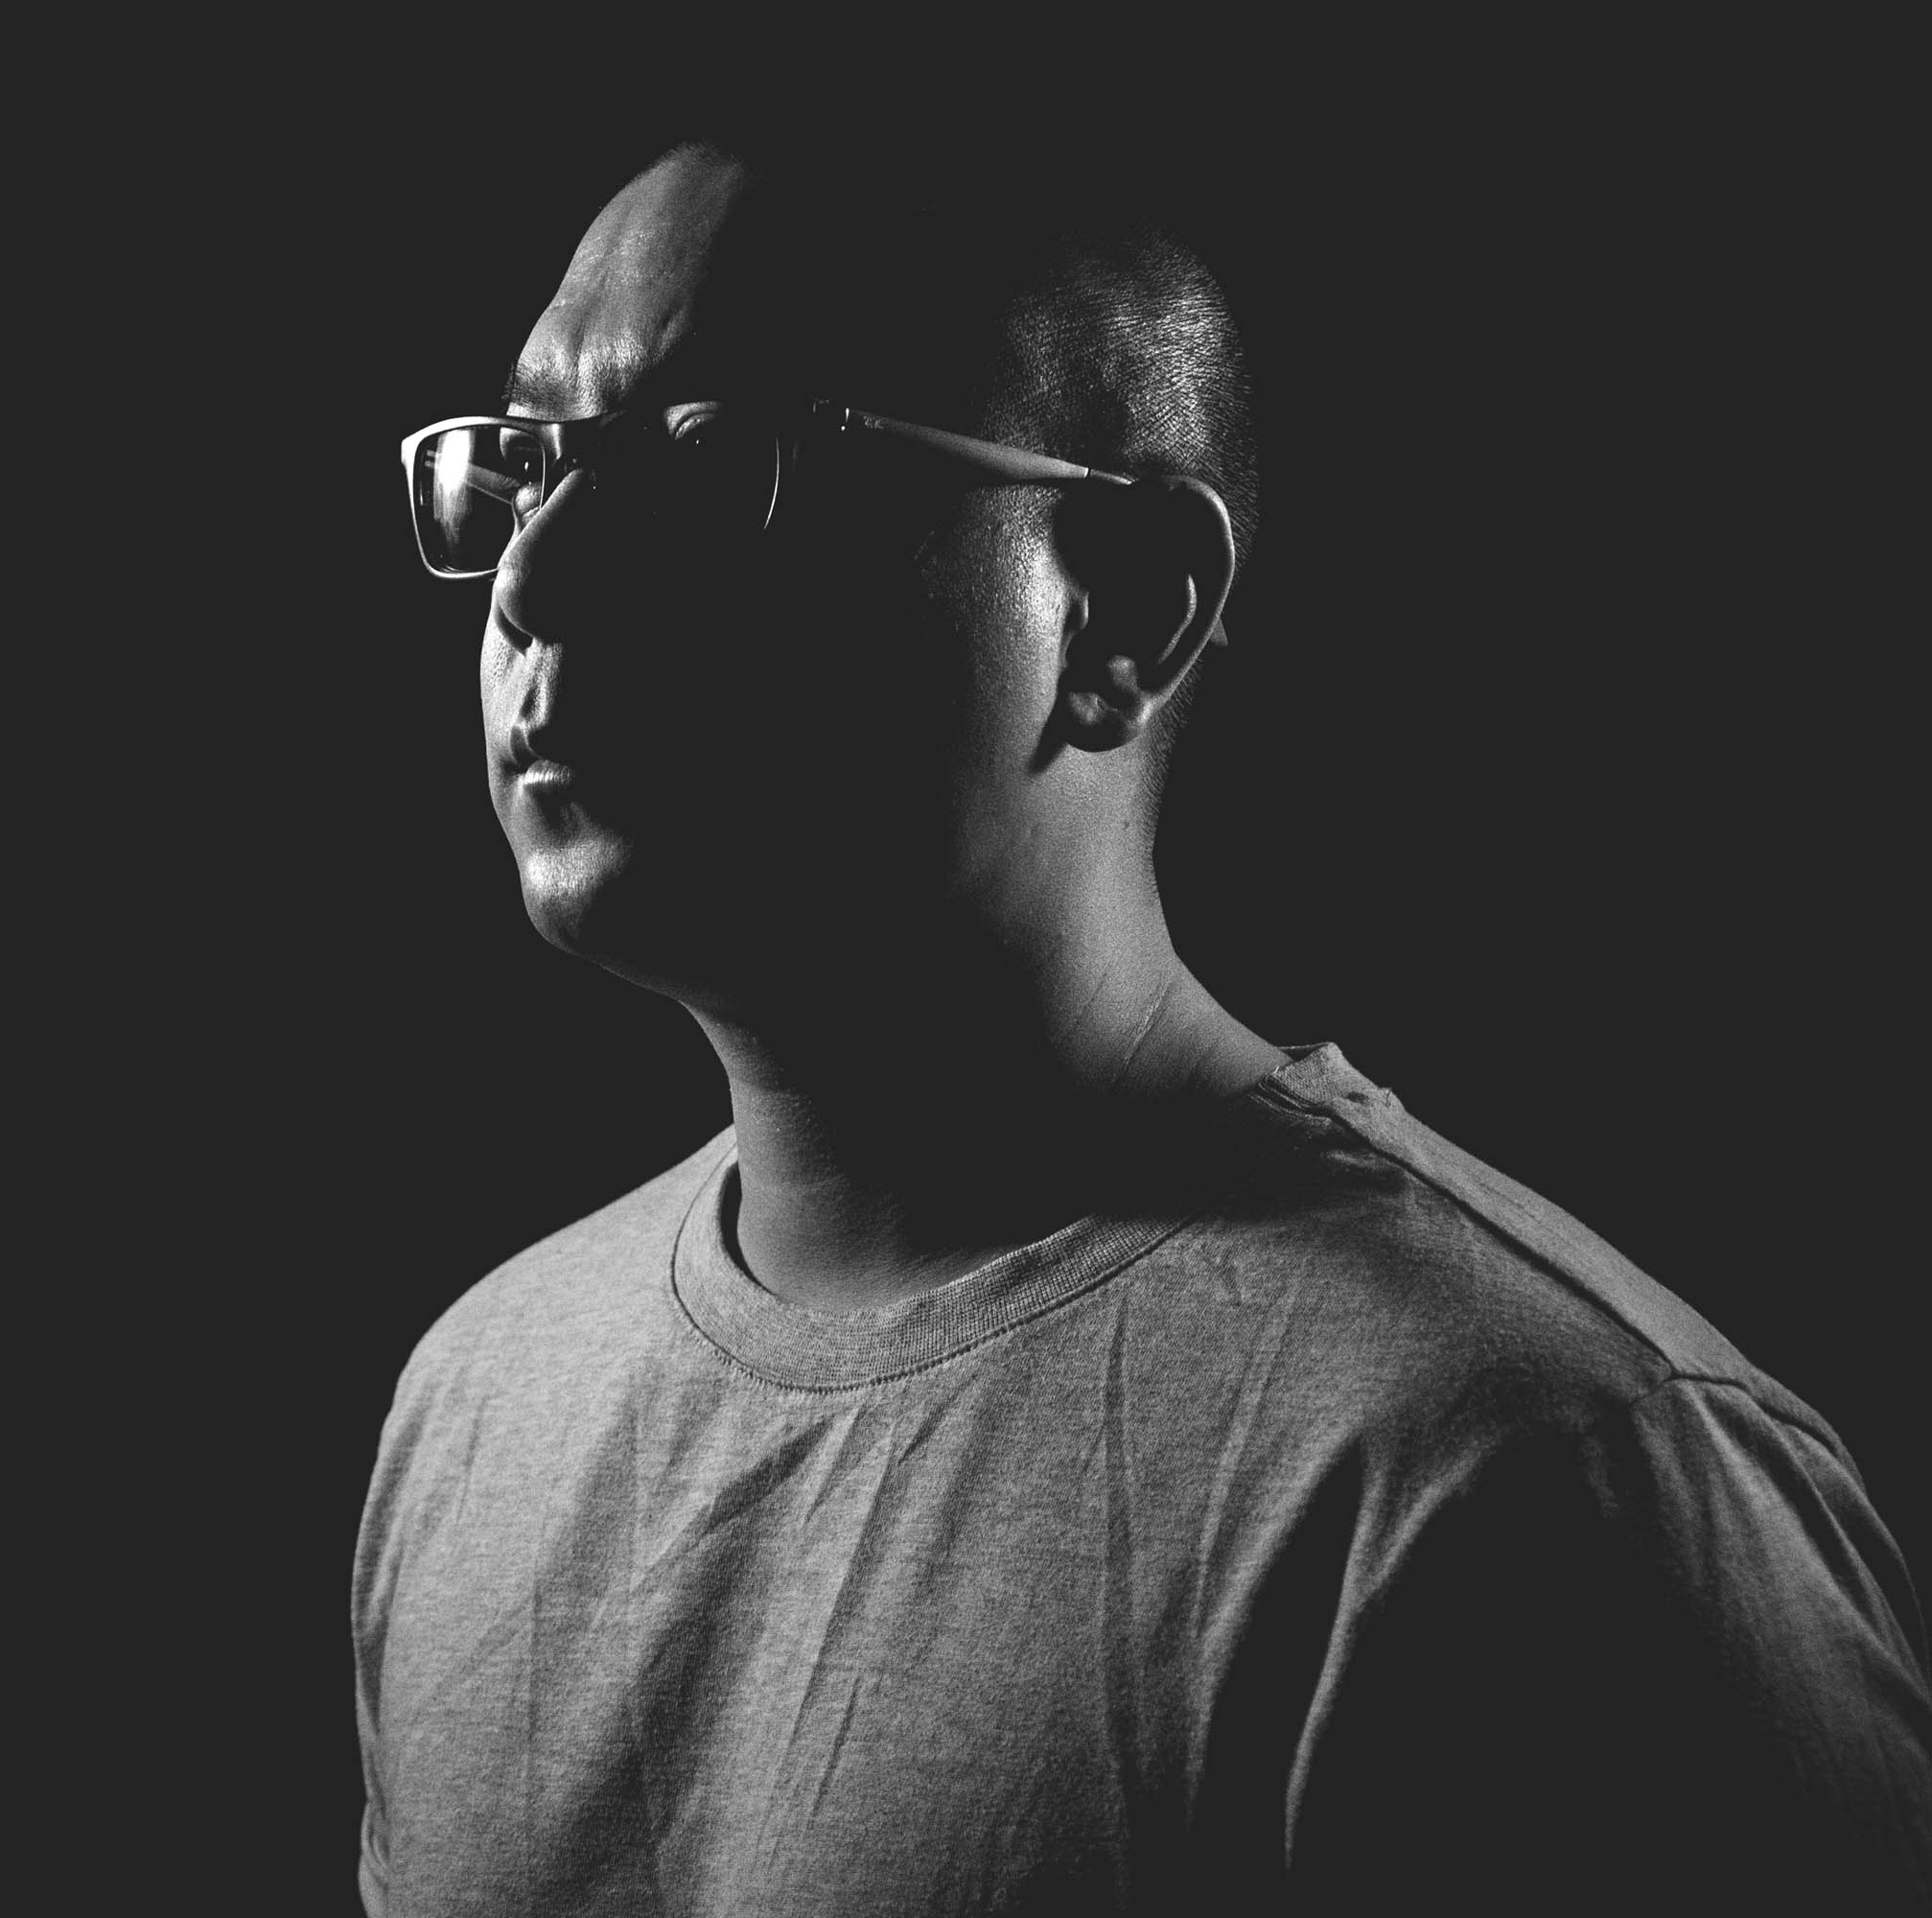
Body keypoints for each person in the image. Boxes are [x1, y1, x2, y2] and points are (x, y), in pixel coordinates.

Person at [355, 139, 1931, 1913]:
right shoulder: (479, 1402)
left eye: (711, 458)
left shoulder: (1542, 1480)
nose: (535, 583)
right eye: (527, 465)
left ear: (1122, 603)